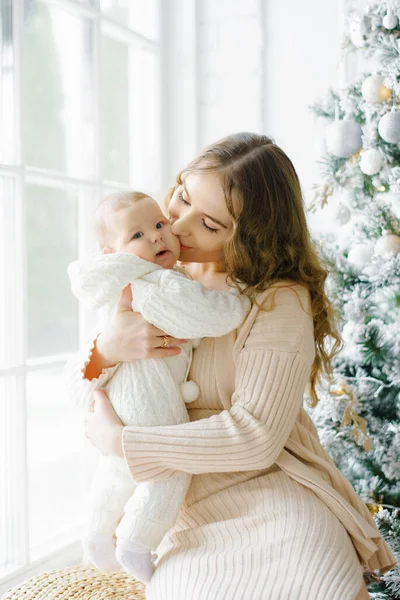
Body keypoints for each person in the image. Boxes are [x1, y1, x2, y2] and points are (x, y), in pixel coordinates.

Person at [65, 133, 396, 600]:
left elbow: (256, 436)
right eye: (182, 196)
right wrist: (106, 349)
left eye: (208, 223)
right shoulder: (147, 270)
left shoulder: (278, 301)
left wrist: (126, 443)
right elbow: (82, 393)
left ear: (248, 236)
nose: (175, 226)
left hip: (276, 499)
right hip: (183, 513)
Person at [66, 191, 250, 583]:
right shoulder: (155, 283)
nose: (156, 237)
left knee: (119, 468)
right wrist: (237, 303)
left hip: (127, 396)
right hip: (146, 392)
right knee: (168, 470)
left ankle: (98, 534)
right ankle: (135, 541)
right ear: (111, 252)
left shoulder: (138, 279)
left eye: (158, 225)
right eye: (137, 235)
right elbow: (208, 316)